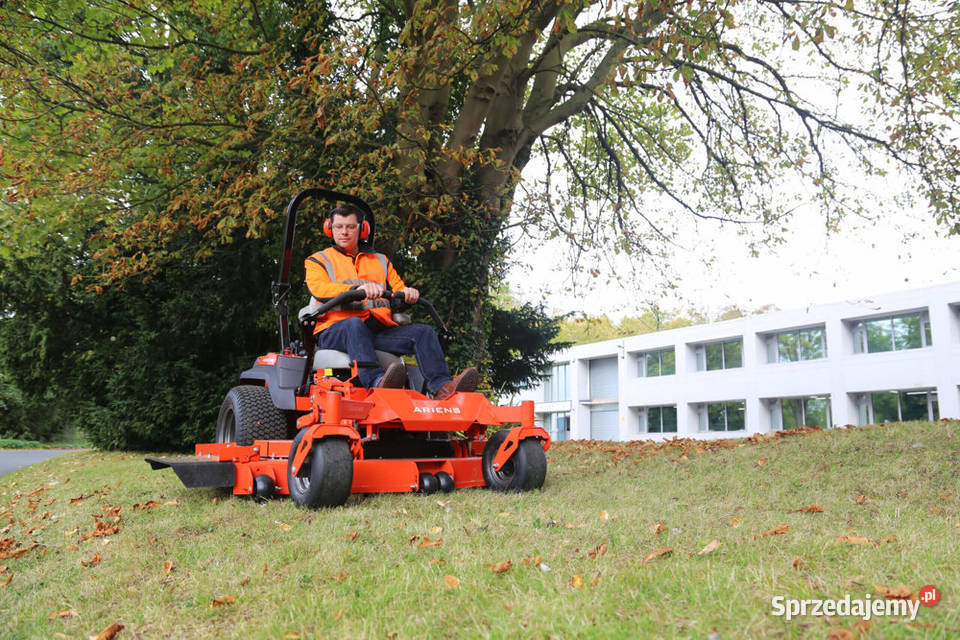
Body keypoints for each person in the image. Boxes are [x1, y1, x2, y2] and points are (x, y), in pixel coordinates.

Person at [305, 204, 478, 398]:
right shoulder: (317, 261)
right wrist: (355, 290)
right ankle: (377, 382)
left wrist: (407, 294)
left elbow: (398, 291)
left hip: (375, 330)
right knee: (354, 324)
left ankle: (442, 388)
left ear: (362, 229)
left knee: (423, 332)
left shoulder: (381, 260)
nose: (344, 232)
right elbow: (320, 289)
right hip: (335, 330)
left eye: (350, 227)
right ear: (330, 229)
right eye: (338, 227)